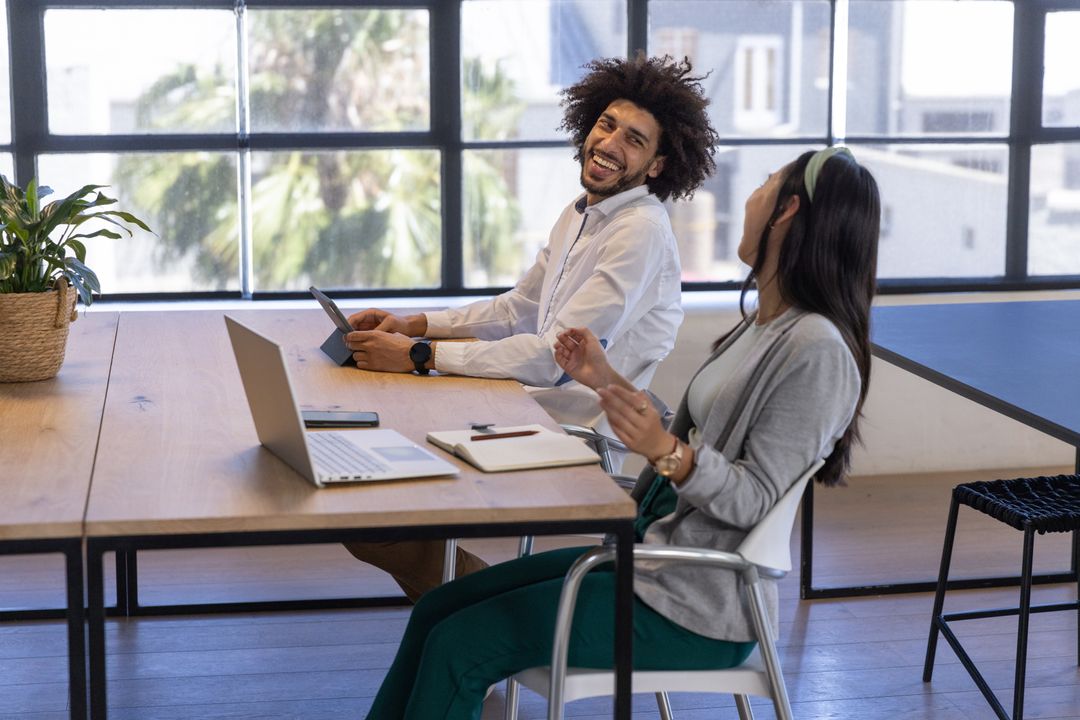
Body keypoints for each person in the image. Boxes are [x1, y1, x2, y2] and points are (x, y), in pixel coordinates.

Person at [362, 145, 881, 719]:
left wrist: (667, 454)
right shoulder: (762, 327)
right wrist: (606, 380)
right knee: (443, 607)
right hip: (647, 564)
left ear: (787, 211)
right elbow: (691, 440)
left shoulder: (817, 352)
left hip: (694, 609)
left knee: (460, 643)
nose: (750, 195)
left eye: (764, 184)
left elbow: (752, 497)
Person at [342, 54, 721, 601]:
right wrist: (416, 324)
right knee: (373, 486)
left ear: (658, 165)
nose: (610, 143)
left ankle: (487, 608)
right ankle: (469, 612)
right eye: (606, 124)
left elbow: (552, 359)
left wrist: (420, 356)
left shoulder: (639, 232)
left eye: (634, 140)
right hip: (524, 404)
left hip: (572, 430)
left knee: (374, 489)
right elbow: (517, 307)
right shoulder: (581, 212)